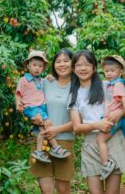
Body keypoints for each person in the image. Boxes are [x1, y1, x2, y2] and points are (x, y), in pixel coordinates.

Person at [69, 50, 125, 193]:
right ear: (73, 69)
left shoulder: (108, 86)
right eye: (78, 65)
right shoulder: (73, 94)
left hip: (112, 138)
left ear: (94, 68)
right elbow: (76, 127)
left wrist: (120, 112)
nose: (83, 68)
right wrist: (96, 125)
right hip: (90, 144)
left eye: (87, 64)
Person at [29, 49, 75, 194]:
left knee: (63, 189)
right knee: (46, 189)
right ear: (53, 65)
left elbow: (80, 121)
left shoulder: (77, 87)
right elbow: (32, 102)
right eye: (58, 61)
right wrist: (33, 117)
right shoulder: (45, 83)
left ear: (73, 63)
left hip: (63, 141)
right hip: (41, 139)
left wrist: (56, 130)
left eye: (66, 60)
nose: (62, 64)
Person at [16, 50, 71, 164]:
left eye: (40, 66)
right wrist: (18, 104)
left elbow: (54, 81)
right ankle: (56, 147)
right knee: (47, 124)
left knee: (42, 129)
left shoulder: (42, 80)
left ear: (43, 68)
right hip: (32, 107)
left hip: (41, 107)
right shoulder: (24, 80)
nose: (37, 68)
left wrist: (51, 77)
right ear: (28, 65)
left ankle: (39, 151)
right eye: (34, 65)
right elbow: (18, 94)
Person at [97, 55, 125, 180]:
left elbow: (123, 97)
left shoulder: (117, 84)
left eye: (112, 70)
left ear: (121, 71)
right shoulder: (111, 84)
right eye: (106, 71)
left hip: (116, 119)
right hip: (123, 120)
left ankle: (106, 163)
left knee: (101, 140)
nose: (109, 73)